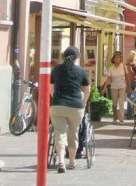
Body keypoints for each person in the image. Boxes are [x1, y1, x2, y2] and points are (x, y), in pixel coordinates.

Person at [50, 46, 90, 174]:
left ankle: (61, 162)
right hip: (75, 107)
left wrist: (56, 99)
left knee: (60, 134)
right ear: (76, 58)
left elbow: (51, 89)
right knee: (73, 133)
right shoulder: (81, 71)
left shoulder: (56, 70)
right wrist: (83, 103)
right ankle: (71, 162)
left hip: (58, 106)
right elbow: (87, 90)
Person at [101, 51, 127, 124]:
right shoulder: (111, 69)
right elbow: (108, 79)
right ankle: (115, 117)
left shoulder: (124, 67)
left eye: (119, 57)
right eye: (116, 57)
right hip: (114, 87)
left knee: (121, 103)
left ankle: (121, 119)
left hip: (122, 86)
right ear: (113, 59)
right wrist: (104, 88)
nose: (117, 59)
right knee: (114, 104)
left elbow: (128, 77)